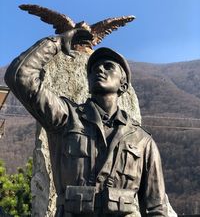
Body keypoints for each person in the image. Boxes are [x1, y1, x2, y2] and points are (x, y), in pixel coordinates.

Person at [5, 29, 168, 217]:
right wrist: (57, 42)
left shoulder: (143, 142)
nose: (99, 69)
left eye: (108, 66)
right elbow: (19, 76)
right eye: (93, 69)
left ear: (123, 85)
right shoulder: (66, 117)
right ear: (88, 81)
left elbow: (156, 209)